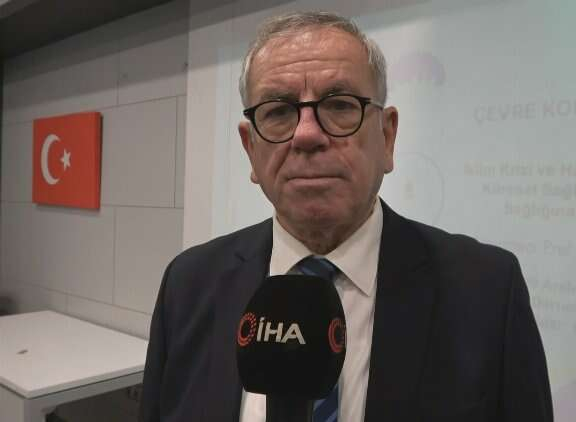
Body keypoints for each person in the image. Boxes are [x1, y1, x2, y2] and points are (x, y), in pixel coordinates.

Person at [140, 11, 552, 422]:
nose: (306, 134)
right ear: (250, 149)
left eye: (339, 105)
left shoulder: (488, 292)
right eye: (278, 111)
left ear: (387, 137)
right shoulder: (188, 284)